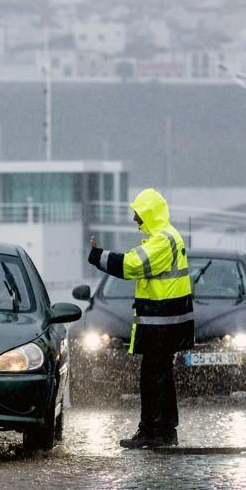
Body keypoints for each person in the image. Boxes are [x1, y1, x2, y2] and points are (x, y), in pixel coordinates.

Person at [87, 187, 194, 448]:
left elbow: (131, 265)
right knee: (162, 377)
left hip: (161, 323)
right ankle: (165, 431)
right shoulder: (167, 237)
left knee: (152, 378)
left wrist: (97, 256)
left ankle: (152, 432)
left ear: (150, 214)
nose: (135, 219)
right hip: (166, 322)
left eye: (138, 214)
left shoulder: (162, 241)